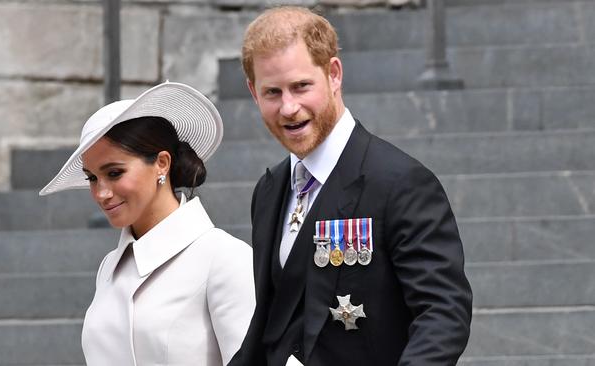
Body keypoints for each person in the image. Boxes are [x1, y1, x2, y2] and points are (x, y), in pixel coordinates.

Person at [228, 6, 472, 366]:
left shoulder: (401, 183)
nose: (289, 108)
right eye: (272, 93)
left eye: (301, 86)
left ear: (334, 74)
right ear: (253, 92)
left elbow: (443, 314)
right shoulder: (268, 190)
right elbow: (270, 324)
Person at [40, 82, 255, 365]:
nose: (101, 193)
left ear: (162, 163)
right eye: (92, 178)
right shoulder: (109, 268)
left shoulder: (224, 258)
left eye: (114, 173)